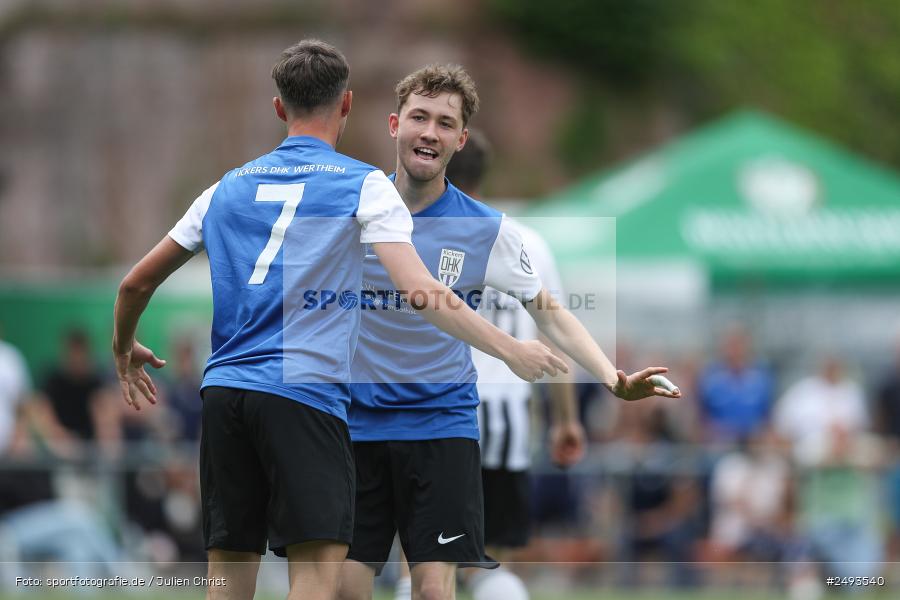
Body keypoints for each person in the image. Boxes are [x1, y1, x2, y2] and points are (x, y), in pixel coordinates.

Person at [112, 41, 564, 600]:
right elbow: (421, 290)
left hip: (224, 394)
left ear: (279, 108)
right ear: (347, 105)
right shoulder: (364, 183)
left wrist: (123, 345)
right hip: (307, 396)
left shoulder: (224, 188)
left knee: (227, 580)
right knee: (318, 580)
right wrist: (510, 349)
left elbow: (135, 282)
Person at [338, 64, 679, 600]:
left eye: (445, 123)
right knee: (342, 589)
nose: (430, 131)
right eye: (419, 117)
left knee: (432, 589)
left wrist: (612, 377)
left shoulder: (487, 230)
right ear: (393, 124)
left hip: (442, 428)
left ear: (460, 139)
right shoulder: (349, 208)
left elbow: (552, 313)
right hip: (356, 426)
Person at [389, 131, 587, 600]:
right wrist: (567, 420)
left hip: (433, 412)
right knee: (491, 561)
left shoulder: (407, 235)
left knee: (420, 563)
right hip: (507, 419)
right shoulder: (526, 241)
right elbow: (553, 333)